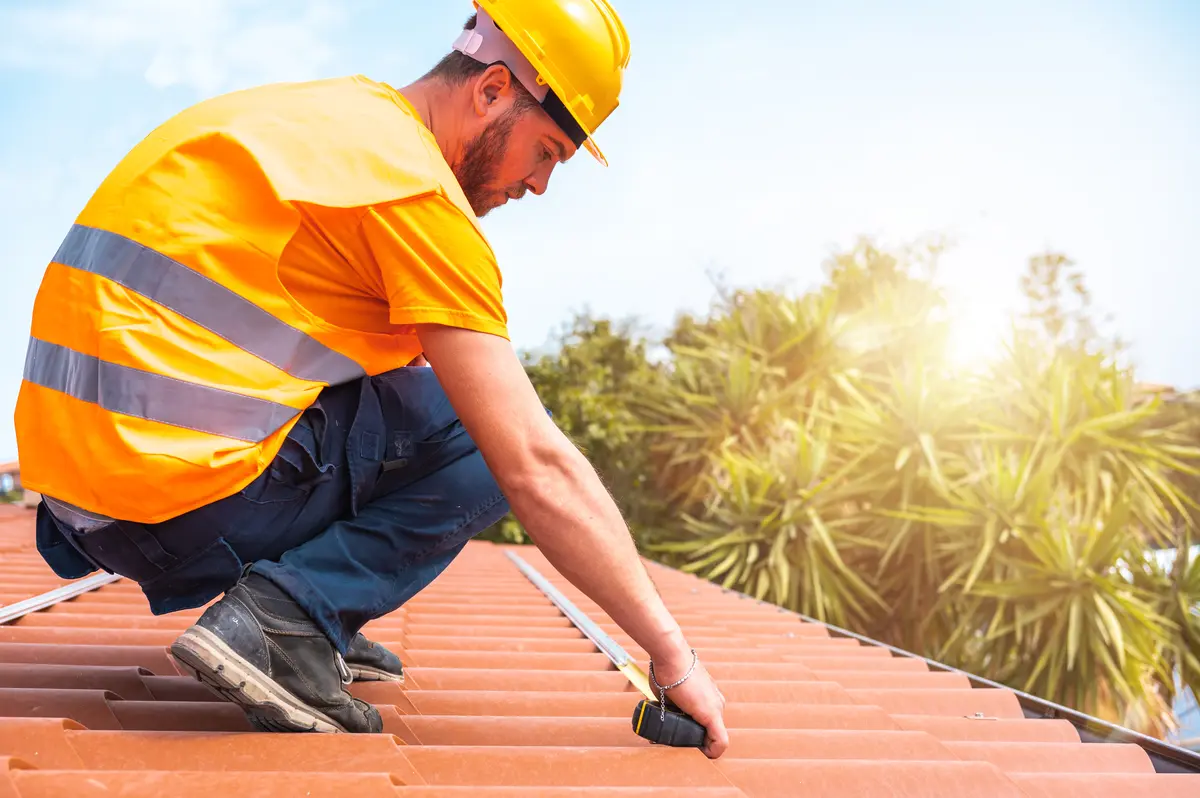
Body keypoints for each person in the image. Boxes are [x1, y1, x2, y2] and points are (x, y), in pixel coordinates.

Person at [15, 0, 730, 757]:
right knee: (484, 433)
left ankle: (314, 626)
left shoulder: (326, 121)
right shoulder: (413, 191)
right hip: (167, 514)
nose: (541, 185)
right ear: (491, 91)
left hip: (76, 501)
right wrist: (673, 654)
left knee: (414, 389)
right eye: (546, 151)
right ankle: (286, 621)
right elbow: (533, 463)